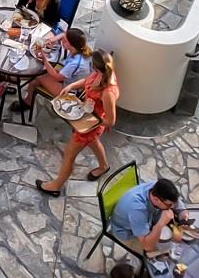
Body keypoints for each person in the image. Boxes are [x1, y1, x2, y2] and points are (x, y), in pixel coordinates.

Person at [36, 51, 121, 193]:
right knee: (93, 142)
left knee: (69, 153)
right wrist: (71, 86)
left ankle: (56, 186)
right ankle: (104, 166)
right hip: (86, 115)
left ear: (97, 66)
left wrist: (88, 122)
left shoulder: (108, 92)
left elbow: (110, 121)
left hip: (91, 124)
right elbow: (87, 82)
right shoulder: (100, 74)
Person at [15, 25, 92, 115]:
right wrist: (52, 40)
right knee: (34, 81)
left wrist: (44, 60)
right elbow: (63, 34)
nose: (61, 41)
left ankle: (27, 103)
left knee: (39, 75)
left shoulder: (75, 63)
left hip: (70, 90)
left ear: (71, 45)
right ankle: (28, 101)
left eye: (64, 41)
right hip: (70, 77)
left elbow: (57, 77)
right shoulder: (80, 48)